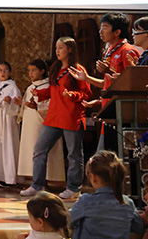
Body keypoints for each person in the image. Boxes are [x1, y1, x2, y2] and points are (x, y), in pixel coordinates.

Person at [21, 38, 92, 200]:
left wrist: (73, 95)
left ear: (70, 50)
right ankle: (37, 185)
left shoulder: (78, 69)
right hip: (54, 116)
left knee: (74, 155)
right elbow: (54, 91)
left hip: (70, 116)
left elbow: (87, 94)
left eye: (61, 47)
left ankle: (73, 188)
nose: (57, 51)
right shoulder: (55, 68)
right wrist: (40, 94)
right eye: (56, 48)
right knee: (39, 150)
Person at [70, 151, 144, 239]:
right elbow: (138, 227)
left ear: (93, 177)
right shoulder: (127, 203)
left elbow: (67, 221)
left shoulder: (86, 201)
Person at [69, 13, 139, 151]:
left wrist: (109, 71)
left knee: (110, 159)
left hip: (122, 114)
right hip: (108, 112)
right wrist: (86, 78)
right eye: (101, 27)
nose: (101, 31)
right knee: (106, 157)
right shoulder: (110, 52)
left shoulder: (127, 51)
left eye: (105, 27)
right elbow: (108, 83)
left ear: (117, 32)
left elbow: (133, 83)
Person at [17, 59, 65, 184]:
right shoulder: (30, 88)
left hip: (42, 122)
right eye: (29, 71)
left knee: (43, 149)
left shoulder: (49, 86)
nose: (30, 73)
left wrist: (37, 108)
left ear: (42, 71)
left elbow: (51, 105)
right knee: (31, 148)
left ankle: (47, 179)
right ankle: (33, 178)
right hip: (29, 123)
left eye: (33, 70)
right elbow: (24, 106)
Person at [0, 61, 22, 187]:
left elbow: (17, 104)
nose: (3, 73)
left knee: (8, 145)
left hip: (7, 118)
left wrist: (10, 101)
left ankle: (10, 177)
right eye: (0, 70)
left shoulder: (12, 87)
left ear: (10, 72)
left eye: (5, 70)